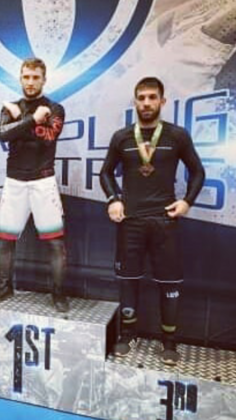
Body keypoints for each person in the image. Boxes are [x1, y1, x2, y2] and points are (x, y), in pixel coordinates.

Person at [100, 77, 205, 365]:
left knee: (168, 283)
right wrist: (113, 199)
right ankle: (127, 335)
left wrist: (187, 202)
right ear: (135, 102)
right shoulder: (122, 137)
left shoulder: (177, 136)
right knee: (128, 281)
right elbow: (106, 172)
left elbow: (197, 171)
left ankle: (169, 342)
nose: (146, 103)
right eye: (142, 97)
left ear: (162, 101)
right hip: (130, 221)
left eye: (152, 97)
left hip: (164, 221)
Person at [0, 57, 68, 312]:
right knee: (6, 240)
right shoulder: (10, 108)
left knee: (55, 243)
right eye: (26, 77)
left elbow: (49, 137)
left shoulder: (55, 108)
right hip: (15, 181)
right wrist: (32, 119)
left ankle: (58, 293)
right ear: (20, 78)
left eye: (35, 77)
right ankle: (4, 286)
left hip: (43, 180)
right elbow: (3, 134)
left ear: (44, 79)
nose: (30, 82)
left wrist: (20, 119)